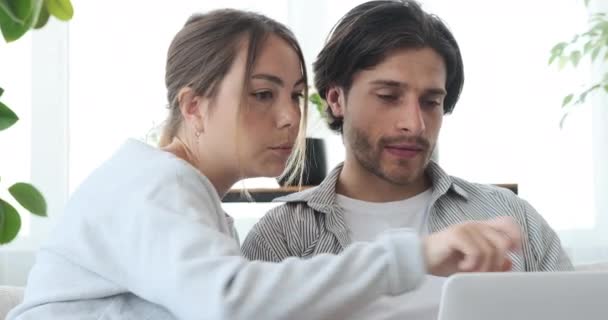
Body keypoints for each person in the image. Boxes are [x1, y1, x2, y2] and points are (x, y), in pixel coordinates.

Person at [9, 8, 522, 320]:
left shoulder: (189, 202)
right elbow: (231, 304)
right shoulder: (151, 185)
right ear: (193, 106)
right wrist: (413, 257)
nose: (287, 118)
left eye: (296, 96)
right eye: (261, 94)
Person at [242, 1, 573, 319]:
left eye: (430, 102)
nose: (414, 124)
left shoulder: (511, 216)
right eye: (388, 96)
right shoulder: (281, 237)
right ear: (336, 99)